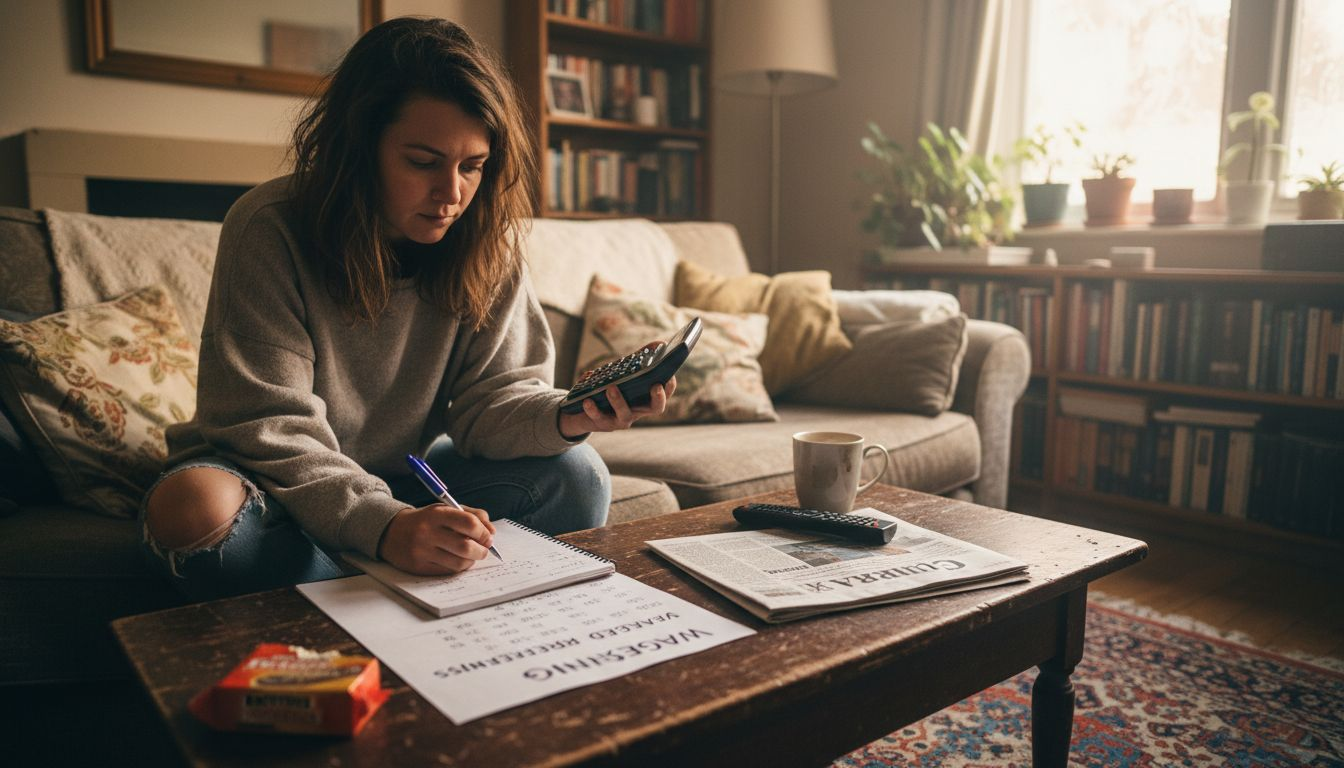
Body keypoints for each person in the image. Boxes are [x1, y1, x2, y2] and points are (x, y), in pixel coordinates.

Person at [140, 17, 674, 601]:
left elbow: (491, 404)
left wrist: (571, 416)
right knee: (192, 512)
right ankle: (385, 577)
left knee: (575, 473)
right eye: (423, 161)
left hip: (400, 477)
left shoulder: (484, 240)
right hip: (270, 481)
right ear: (358, 148)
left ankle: (360, 581)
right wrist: (384, 526)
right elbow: (265, 425)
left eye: (473, 166)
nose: (452, 194)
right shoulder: (270, 227)